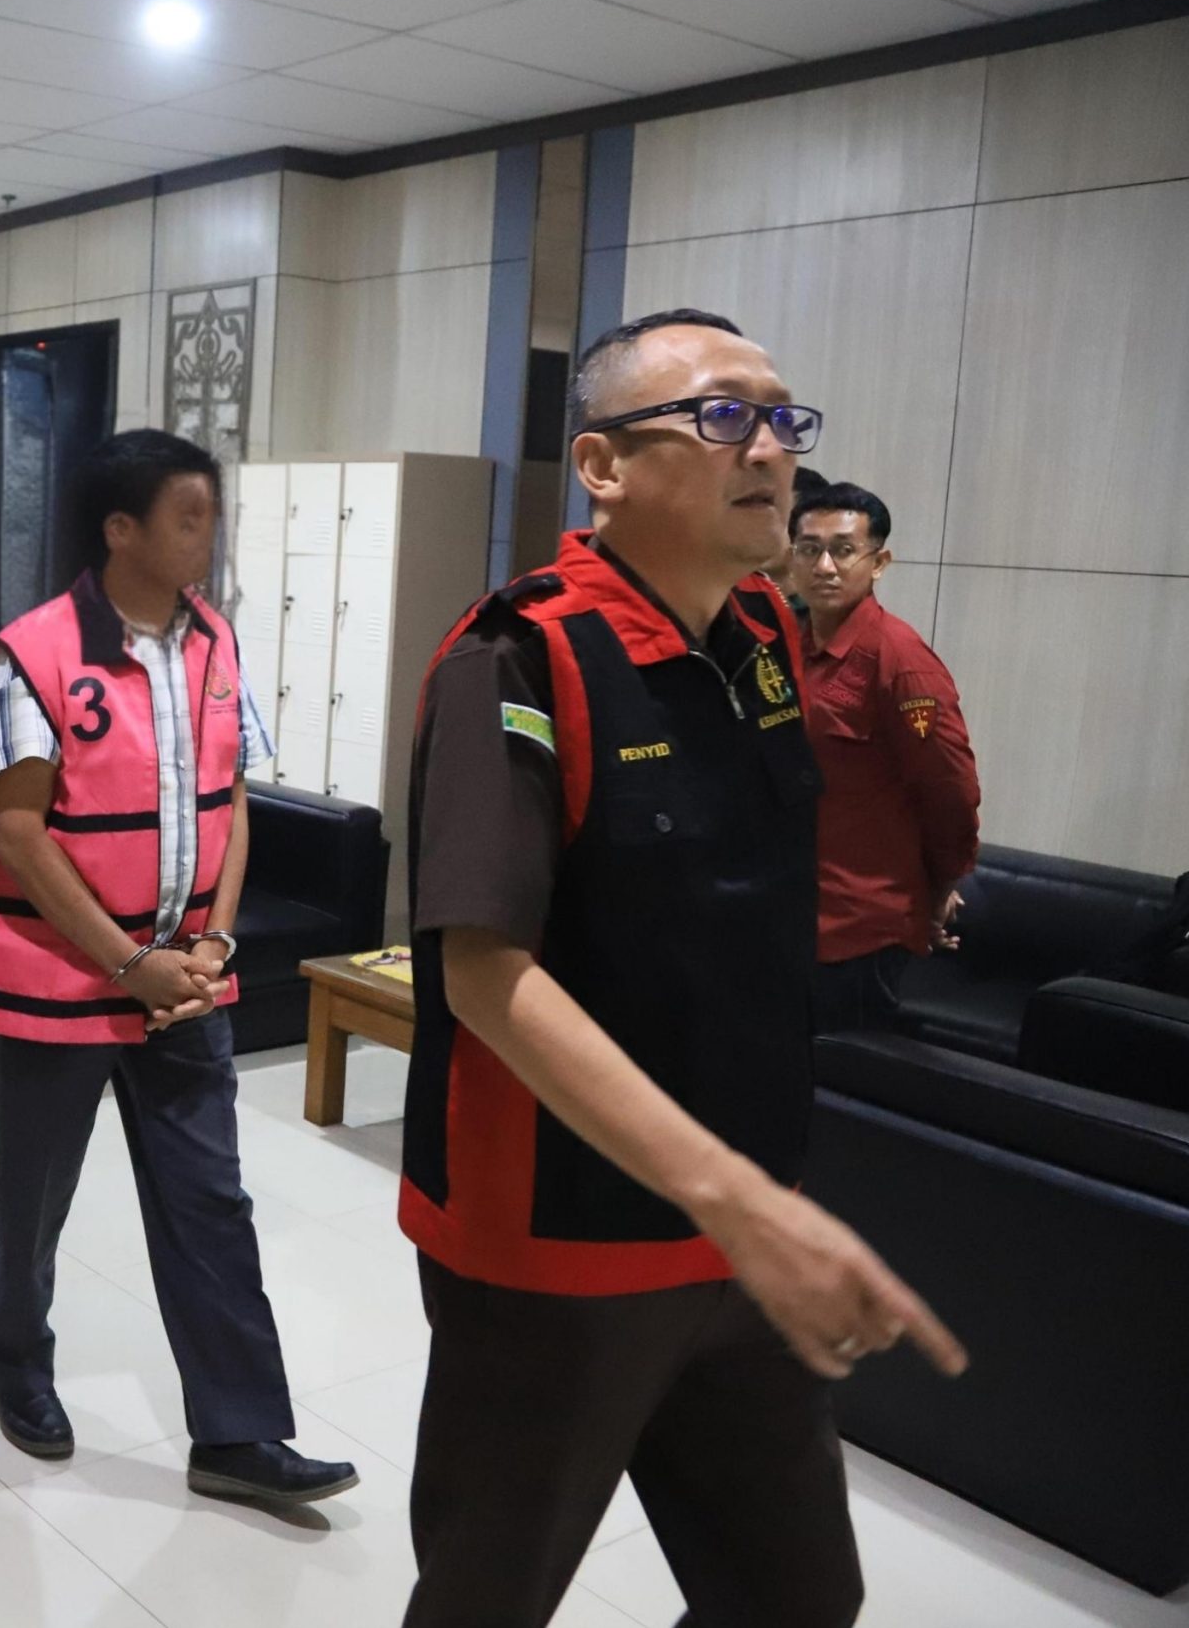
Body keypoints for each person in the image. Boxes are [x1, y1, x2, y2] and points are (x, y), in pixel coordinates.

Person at [397, 308, 967, 1628]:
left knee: (797, 1596)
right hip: (560, 1244)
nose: (769, 446)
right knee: (488, 1598)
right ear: (602, 466)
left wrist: (756, 1202)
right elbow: (485, 971)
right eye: (721, 415)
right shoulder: (516, 655)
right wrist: (740, 1199)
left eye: (780, 416)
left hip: (742, 1226)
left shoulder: (762, 633)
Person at [0, 428, 358, 1509]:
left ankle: (238, 1432)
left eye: (210, 514)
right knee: (36, 1196)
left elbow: (231, 794)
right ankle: (16, 1358)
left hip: (184, 979)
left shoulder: (212, 640)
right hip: (61, 976)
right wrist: (130, 960)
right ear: (120, 529)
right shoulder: (29, 656)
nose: (208, 534)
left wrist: (213, 942)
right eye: (189, 516)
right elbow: (19, 834)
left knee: (209, 1199)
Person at [788, 479, 981, 1033]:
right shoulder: (793, 645)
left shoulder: (898, 660)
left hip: (860, 927)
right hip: (794, 911)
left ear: (878, 563)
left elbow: (951, 790)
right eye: (809, 549)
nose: (825, 566)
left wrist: (940, 886)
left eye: (844, 550)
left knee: (838, 1076)